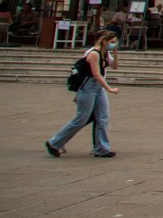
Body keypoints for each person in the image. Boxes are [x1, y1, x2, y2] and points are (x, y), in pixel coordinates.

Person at [45, 29, 120, 158]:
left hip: (98, 88)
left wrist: (115, 53)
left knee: (103, 117)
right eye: (112, 42)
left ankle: (101, 148)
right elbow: (96, 74)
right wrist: (109, 89)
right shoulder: (93, 53)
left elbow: (114, 66)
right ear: (104, 41)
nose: (113, 44)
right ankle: (54, 142)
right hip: (88, 87)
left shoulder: (105, 54)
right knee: (81, 119)